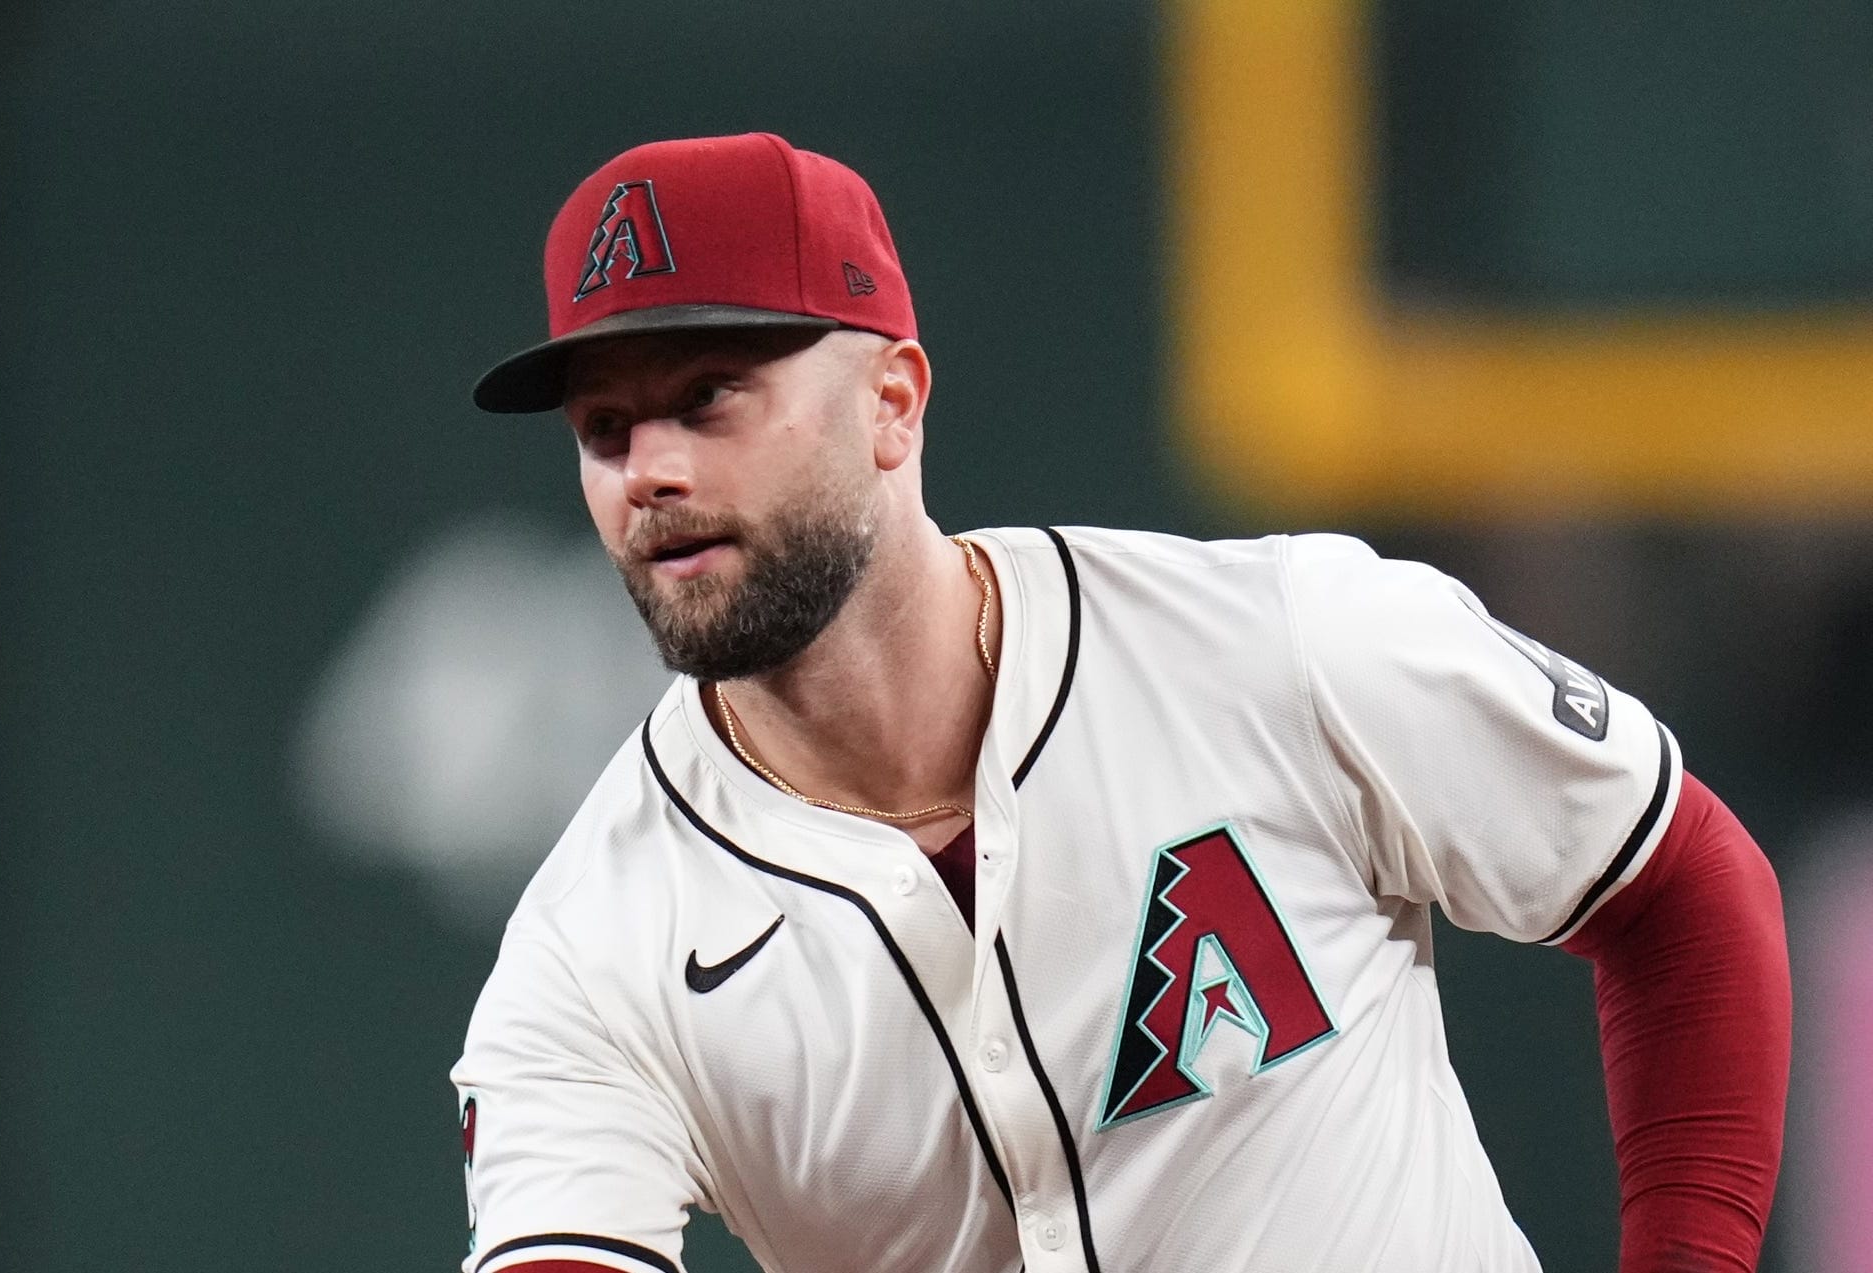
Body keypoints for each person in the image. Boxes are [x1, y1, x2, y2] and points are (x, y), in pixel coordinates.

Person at [453, 132, 1791, 1273]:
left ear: (892, 404)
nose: (652, 472)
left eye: (710, 398)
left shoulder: (1277, 644)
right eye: (607, 431)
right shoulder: (590, 954)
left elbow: (1680, 889)